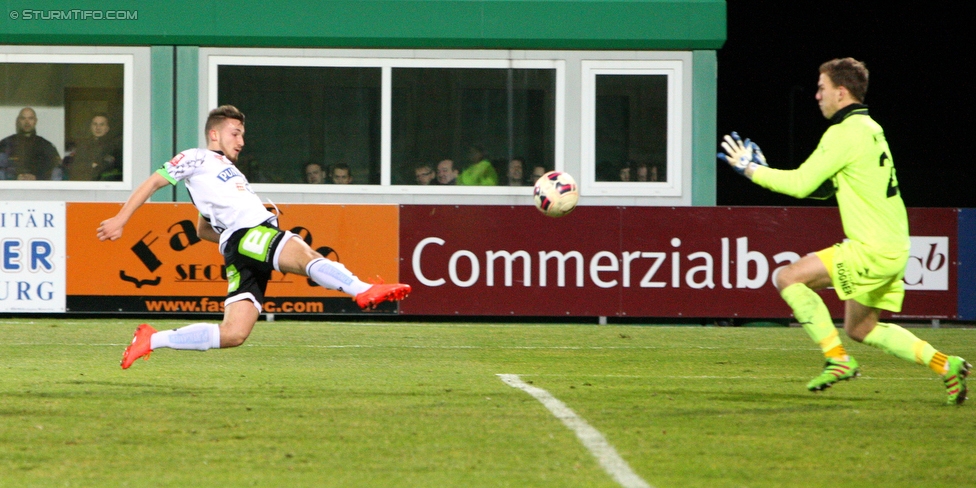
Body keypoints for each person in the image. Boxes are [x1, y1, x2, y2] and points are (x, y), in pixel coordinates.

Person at [718, 57, 969, 405]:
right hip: (895, 247)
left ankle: (837, 359)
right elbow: (830, 187)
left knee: (788, 277)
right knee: (860, 328)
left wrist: (751, 171)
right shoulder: (871, 129)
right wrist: (766, 168)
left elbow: (802, 184)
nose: (817, 96)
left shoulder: (843, 133)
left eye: (821, 89)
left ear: (840, 91)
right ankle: (947, 364)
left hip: (871, 249)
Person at [97, 105, 411, 369]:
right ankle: (363, 289)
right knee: (305, 256)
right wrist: (121, 218)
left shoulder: (225, 172)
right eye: (236, 133)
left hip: (240, 245)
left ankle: (152, 339)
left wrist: (230, 232)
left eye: (243, 134)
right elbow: (153, 182)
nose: (242, 140)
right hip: (248, 236)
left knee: (234, 333)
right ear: (214, 134)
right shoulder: (196, 157)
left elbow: (201, 229)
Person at [0, 107, 61, 180]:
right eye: (23, 118)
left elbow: (57, 169)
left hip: (39, 188)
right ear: (18, 121)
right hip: (11, 188)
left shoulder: (46, 145)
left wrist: (36, 177)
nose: (27, 122)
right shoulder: (6, 143)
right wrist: (15, 177)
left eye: (30, 118)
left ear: (35, 121)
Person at [66, 113, 122, 181]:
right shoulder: (82, 145)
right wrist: (91, 165)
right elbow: (75, 167)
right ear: (91, 126)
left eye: (102, 124)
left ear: (107, 128)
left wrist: (89, 165)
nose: (98, 128)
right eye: (95, 124)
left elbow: (108, 167)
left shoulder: (114, 146)